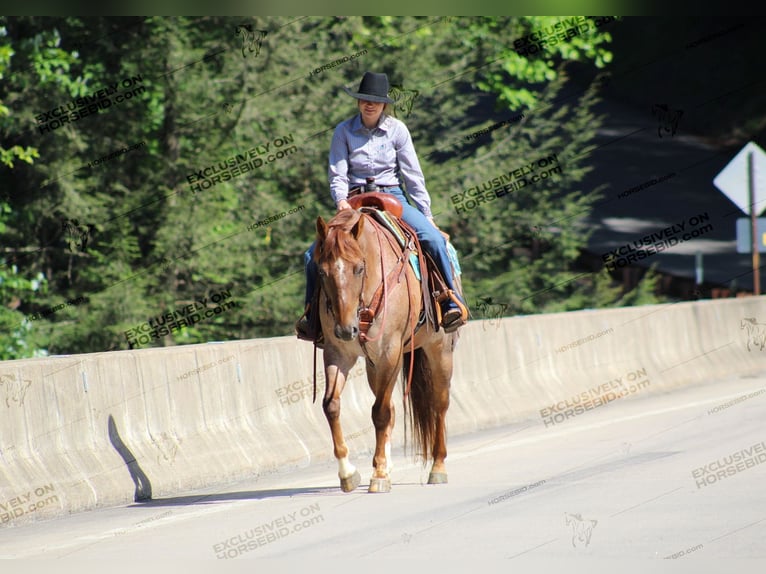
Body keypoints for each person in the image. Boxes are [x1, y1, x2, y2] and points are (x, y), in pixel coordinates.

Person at [296, 71, 468, 342]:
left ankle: (449, 301)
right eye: (364, 99)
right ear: (358, 102)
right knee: (311, 256)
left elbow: (413, 175)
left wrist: (427, 214)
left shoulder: (397, 130)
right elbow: (337, 173)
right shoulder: (343, 131)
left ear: (384, 104)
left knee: (433, 240)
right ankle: (312, 318)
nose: (369, 105)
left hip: (393, 197)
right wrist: (341, 201)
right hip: (353, 201)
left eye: (375, 101)